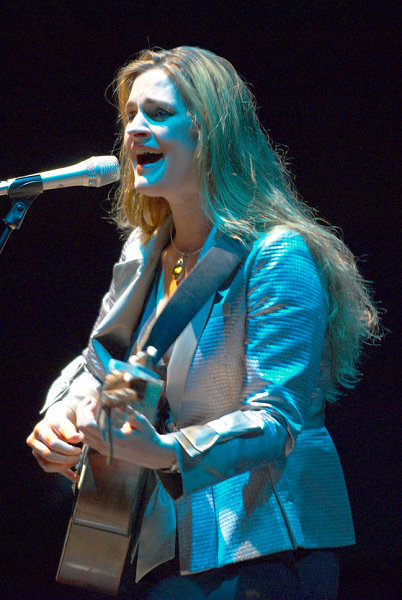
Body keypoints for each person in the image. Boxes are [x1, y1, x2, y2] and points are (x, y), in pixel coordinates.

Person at [26, 46, 380, 599]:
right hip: (160, 548)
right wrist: (63, 413)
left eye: (158, 114)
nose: (135, 129)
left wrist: (165, 452)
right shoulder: (145, 249)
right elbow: (102, 364)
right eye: (130, 116)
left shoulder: (276, 254)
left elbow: (275, 422)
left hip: (263, 550)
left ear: (210, 132)